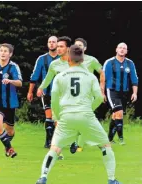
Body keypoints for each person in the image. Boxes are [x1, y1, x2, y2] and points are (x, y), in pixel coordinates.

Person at [35, 45, 121, 184]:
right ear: (82, 59)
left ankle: (43, 177)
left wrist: (58, 115)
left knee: (55, 149)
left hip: (66, 116)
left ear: (68, 59)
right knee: (105, 146)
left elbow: (54, 98)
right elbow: (99, 98)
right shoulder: (90, 76)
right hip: (86, 115)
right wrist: (88, 108)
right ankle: (111, 180)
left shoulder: (60, 76)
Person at [70, 37, 106, 152]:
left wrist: (101, 88)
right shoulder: (69, 60)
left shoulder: (92, 60)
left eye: (80, 45)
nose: (78, 47)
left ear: (85, 48)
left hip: (87, 94)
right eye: (76, 45)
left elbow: (102, 72)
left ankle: (79, 145)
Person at [103, 42, 138, 145]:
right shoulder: (109, 62)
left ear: (126, 51)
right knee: (119, 113)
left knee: (115, 115)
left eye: (124, 48)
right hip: (112, 91)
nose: (122, 49)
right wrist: (102, 93)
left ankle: (109, 139)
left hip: (124, 92)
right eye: (120, 48)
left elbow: (134, 79)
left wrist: (135, 93)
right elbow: (103, 79)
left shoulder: (130, 63)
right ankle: (121, 138)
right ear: (116, 49)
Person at [28, 36, 59, 149]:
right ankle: (48, 141)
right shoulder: (42, 59)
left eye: (54, 42)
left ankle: (62, 140)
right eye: (49, 42)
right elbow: (34, 76)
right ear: (47, 44)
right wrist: (30, 92)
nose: (51, 44)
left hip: (62, 93)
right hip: (47, 92)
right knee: (49, 116)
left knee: (60, 119)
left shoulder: (64, 59)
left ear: (57, 44)